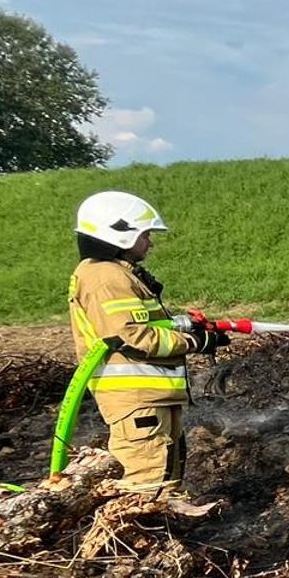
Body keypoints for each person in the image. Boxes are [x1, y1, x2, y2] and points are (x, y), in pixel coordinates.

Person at [68, 190, 228, 492]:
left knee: (166, 477)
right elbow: (132, 337)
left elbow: (145, 323)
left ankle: (166, 534)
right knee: (148, 487)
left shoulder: (114, 274)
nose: (150, 243)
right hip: (137, 402)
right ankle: (133, 539)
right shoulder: (106, 278)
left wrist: (189, 327)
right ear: (118, 234)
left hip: (150, 399)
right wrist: (195, 342)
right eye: (145, 235)